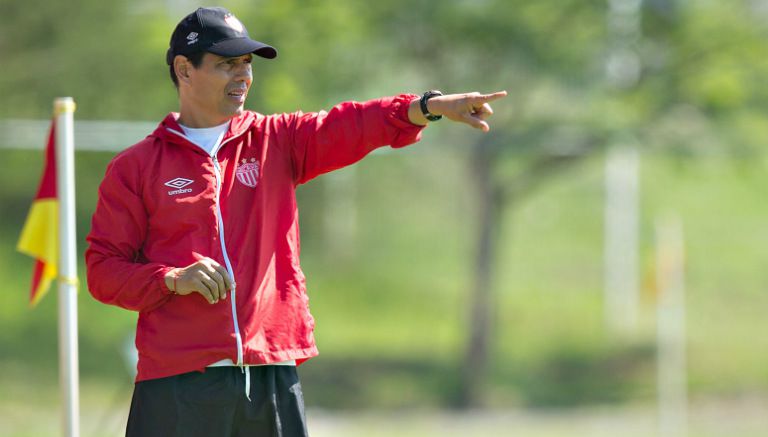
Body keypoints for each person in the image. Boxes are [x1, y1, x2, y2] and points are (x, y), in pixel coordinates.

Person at [85, 6, 507, 437]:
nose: (243, 76)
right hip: (176, 382)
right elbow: (103, 271)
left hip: (271, 374)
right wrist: (172, 278)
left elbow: (352, 125)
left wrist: (428, 106)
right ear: (183, 70)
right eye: (227, 64)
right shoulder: (135, 167)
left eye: (247, 64)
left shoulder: (277, 140)